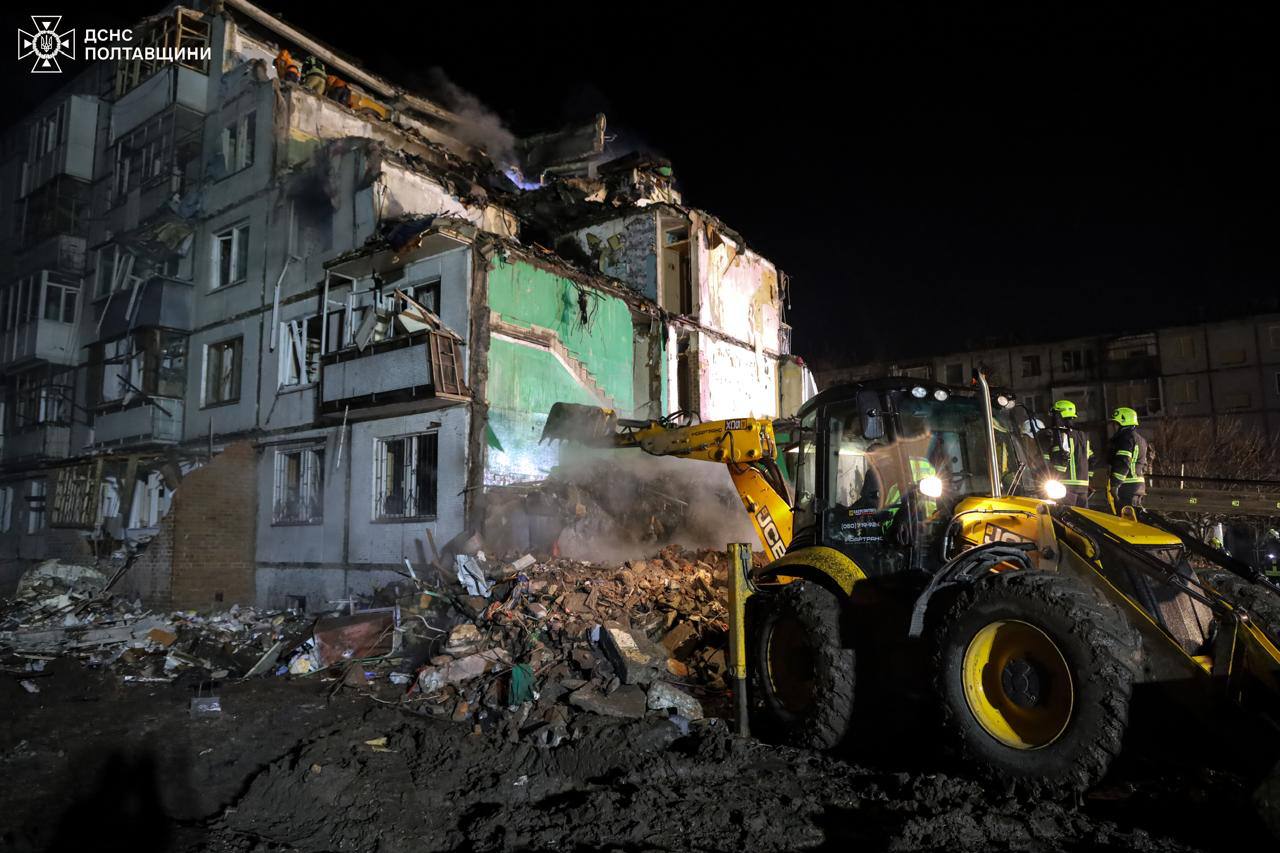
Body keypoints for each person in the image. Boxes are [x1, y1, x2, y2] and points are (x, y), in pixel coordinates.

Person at [1042, 399, 1093, 507]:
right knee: (1082, 515)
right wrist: (1088, 478)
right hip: (1083, 487)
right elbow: (1091, 458)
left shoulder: (1061, 435)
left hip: (1066, 487)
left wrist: (1048, 475)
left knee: (1065, 515)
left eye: (1055, 415)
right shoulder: (1083, 435)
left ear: (1060, 415)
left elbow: (1061, 460)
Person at [1107, 406, 1148, 513]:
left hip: (1126, 486)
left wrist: (1115, 484)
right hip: (1139, 485)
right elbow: (1144, 465)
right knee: (1135, 518)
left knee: (1124, 519)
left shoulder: (1125, 438)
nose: (1114, 427)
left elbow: (1123, 461)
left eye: (1116, 423)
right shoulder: (1141, 439)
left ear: (1123, 423)